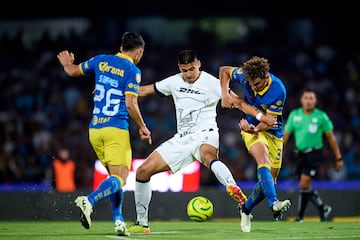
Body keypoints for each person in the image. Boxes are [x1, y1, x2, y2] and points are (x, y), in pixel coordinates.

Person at [128, 50, 277, 234]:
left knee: (208, 156)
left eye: (192, 69)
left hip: (206, 133)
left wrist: (261, 116)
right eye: (184, 70)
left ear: (199, 64)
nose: (189, 74)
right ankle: (142, 224)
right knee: (142, 171)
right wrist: (120, 91)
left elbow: (239, 103)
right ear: (179, 68)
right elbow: (143, 90)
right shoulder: (174, 81)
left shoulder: (212, 83)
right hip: (182, 138)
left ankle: (233, 188)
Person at [56, 31, 152, 236]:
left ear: (120, 48)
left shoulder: (100, 61)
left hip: (95, 129)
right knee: (122, 178)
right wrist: (142, 126)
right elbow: (130, 102)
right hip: (116, 129)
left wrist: (66, 64)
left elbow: (73, 72)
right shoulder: (132, 69)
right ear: (139, 52)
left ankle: (118, 220)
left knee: (114, 179)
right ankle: (88, 201)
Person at [219, 56, 291, 233]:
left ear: (266, 77)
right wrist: (225, 95)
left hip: (272, 132)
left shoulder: (278, 90)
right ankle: (274, 203)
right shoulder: (245, 75)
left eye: (257, 84)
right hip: (250, 127)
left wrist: (255, 129)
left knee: (269, 181)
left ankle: (245, 210)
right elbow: (224, 70)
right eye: (250, 83)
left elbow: (269, 122)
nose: (253, 87)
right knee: (262, 158)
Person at [283, 88, 343, 222]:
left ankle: (300, 217)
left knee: (304, 183)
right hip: (299, 155)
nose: (309, 101)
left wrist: (338, 157)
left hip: (314, 154)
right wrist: (278, 152)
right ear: (301, 100)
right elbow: (285, 136)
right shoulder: (294, 115)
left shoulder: (321, 116)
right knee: (304, 186)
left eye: (311, 98)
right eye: (306, 98)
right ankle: (322, 208)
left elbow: (331, 138)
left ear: (315, 101)